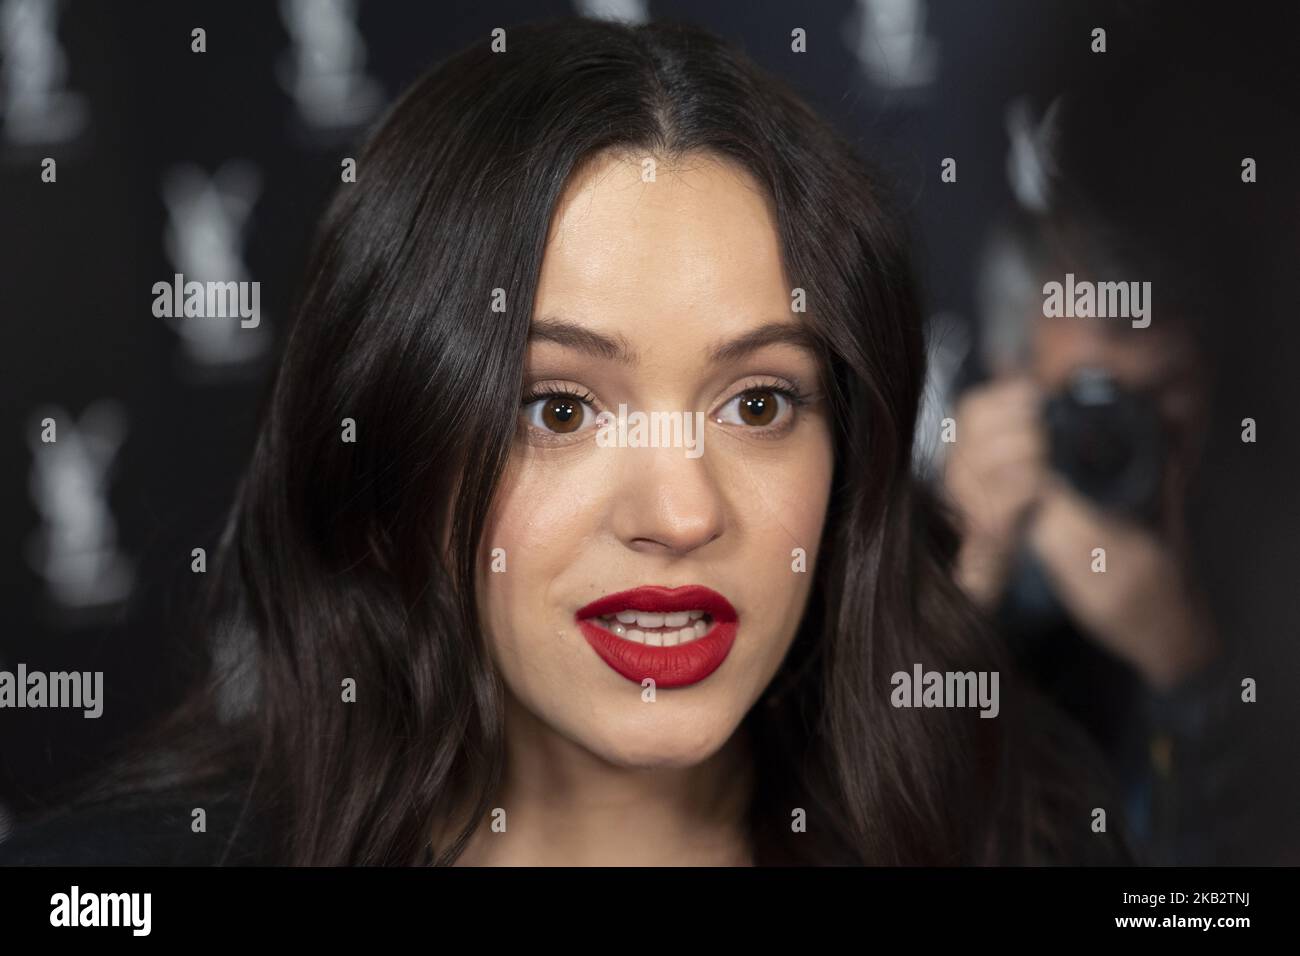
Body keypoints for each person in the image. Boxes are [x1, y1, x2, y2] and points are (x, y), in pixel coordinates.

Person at [0, 16, 1128, 867]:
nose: (682, 514)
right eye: (559, 407)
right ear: (396, 437)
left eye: (758, 403)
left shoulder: (1021, 834)